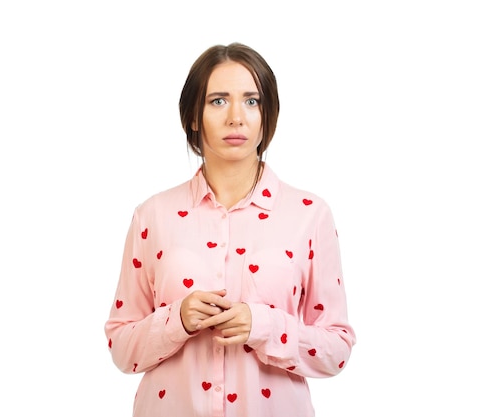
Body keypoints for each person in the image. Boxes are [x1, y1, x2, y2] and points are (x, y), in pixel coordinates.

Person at [104, 42, 356, 417]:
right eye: (218, 101)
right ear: (193, 116)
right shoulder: (152, 216)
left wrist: (266, 326)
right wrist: (177, 320)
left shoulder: (310, 215)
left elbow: (336, 349)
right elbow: (122, 349)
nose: (236, 117)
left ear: (268, 114)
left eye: (252, 101)